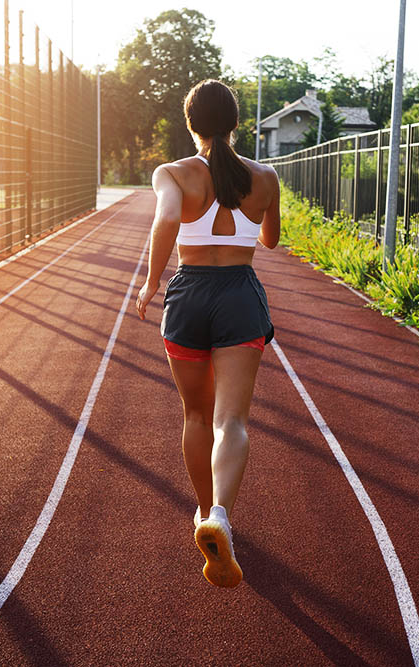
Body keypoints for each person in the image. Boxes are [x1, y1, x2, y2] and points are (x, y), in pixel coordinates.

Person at [135, 79, 280, 588]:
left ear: (190, 122)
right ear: (236, 122)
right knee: (232, 419)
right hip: (240, 293)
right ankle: (220, 514)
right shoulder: (265, 176)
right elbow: (271, 240)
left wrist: (152, 281)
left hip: (189, 294)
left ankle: (202, 513)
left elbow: (167, 220)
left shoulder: (172, 173)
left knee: (195, 413)